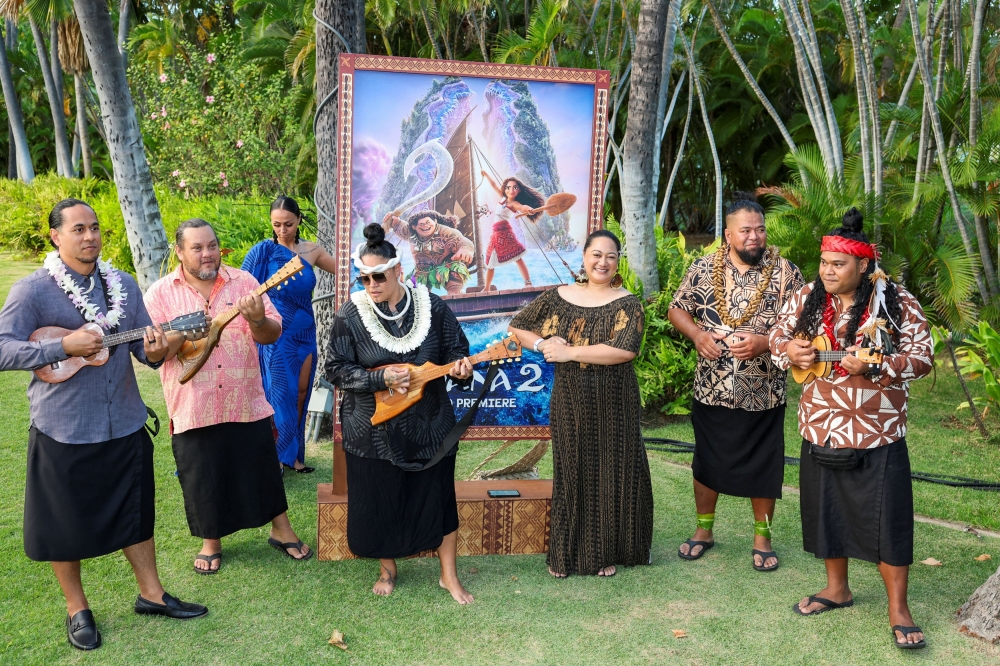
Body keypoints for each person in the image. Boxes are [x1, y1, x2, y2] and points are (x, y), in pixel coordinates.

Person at [0, 199, 208, 651]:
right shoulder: (34, 291)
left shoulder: (125, 287)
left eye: (94, 228)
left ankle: (152, 594)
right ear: (56, 236)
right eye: (78, 229)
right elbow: (3, 349)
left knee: (136, 513)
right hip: (65, 428)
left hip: (125, 423)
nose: (90, 236)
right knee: (63, 523)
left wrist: (160, 345)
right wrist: (63, 347)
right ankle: (78, 609)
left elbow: (147, 355)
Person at [770, 208, 933, 649]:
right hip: (821, 426)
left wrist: (880, 365)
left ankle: (898, 607)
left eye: (837, 265)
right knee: (828, 513)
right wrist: (792, 351)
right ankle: (836, 589)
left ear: (863, 266)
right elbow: (776, 342)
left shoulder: (897, 303)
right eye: (823, 263)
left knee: (889, 521)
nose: (826, 271)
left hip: (877, 432)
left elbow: (922, 359)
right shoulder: (806, 297)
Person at [144, 218, 312, 574]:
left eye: (212, 246)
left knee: (262, 467)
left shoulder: (246, 284)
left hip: (245, 398)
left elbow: (270, 333)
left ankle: (281, 530)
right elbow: (156, 355)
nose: (207, 254)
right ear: (180, 252)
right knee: (202, 473)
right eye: (197, 248)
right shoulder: (160, 294)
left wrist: (255, 319)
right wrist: (179, 338)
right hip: (192, 403)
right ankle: (211, 541)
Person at [325, 223, 475, 603]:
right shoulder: (350, 314)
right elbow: (336, 369)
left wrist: (461, 366)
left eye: (378, 276)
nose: (371, 284)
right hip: (371, 429)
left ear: (398, 271)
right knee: (380, 498)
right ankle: (387, 569)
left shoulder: (434, 307)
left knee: (438, 497)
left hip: (429, 425)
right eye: (364, 278)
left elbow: (458, 349)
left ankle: (448, 576)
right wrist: (380, 380)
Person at [668, 193, 804, 571]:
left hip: (764, 389)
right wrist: (697, 336)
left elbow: (802, 326)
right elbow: (677, 308)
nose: (754, 237)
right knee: (707, 460)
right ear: (728, 234)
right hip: (711, 386)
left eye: (760, 230)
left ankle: (762, 537)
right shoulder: (702, 267)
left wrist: (763, 342)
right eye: (745, 230)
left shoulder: (787, 273)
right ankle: (703, 531)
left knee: (764, 463)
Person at [508, 229, 653, 578]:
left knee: (612, 470)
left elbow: (625, 349)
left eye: (611, 256)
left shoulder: (628, 302)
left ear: (618, 262)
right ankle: (565, 553)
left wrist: (570, 351)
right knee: (572, 468)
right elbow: (518, 326)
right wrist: (544, 345)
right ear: (584, 257)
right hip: (571, 395)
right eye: (596, 254)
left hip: (614, 396)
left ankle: (607, 551)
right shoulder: (558, 297)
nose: (603, 262)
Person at [243, 195, 336, 473]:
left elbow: (347, 272)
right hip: (276, 333)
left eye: (288, 224)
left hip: (306, 333)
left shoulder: (312, 251)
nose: (282, 230)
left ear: (298, 221)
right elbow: (242, 288)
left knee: (301, 392)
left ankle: (295, 456)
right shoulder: (263, 252)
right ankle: (278, 458)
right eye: (277, 224)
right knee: (279, 394)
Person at [381, 209, 475, 294]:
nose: (426, 226)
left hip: (447, 267)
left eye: (428, 222)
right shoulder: (410, 233)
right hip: (422, 272)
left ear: (435, 221)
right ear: (414, 227)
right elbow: (399, 226)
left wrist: (465, 249)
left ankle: (455, 295)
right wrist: (393, 220)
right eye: (421, 224)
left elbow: (462, 240)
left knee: (456, 271)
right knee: (412, 288)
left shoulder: (446, 232)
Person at [480, 172, 545, 292]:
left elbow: (522, 207)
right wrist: (486, 175)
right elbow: (494, 184)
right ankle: (487, 287)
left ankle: (528, 282)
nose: (511, 190)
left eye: (515, 187)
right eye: (508, 187)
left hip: (505, 232)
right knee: (490, 262)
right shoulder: (503, 198)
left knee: (517, 257)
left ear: (519, 190)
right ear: (505, 189)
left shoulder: (514, 203)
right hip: (495, 234)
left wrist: (529, 209)